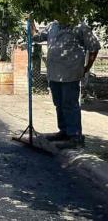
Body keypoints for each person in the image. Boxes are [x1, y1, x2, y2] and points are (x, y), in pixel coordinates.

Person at [32, 19, 101, 149]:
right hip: (54, 74)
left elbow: (94, 47)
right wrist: (30, 23)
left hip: (70, 74)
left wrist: (87, 67)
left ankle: (75, 137)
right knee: (59, 104)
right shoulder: (53, 25)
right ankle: (64, 132)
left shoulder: (80, 26)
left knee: (70, 104)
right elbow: (37, 37)